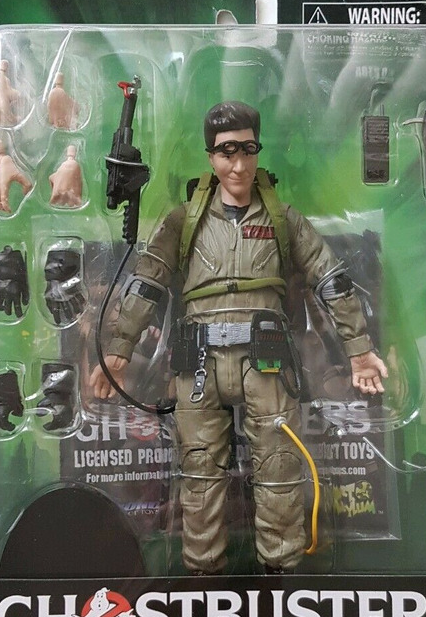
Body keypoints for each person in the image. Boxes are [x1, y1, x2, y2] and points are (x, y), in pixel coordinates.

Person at [91, 101, 387, 575]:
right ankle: (203, 582)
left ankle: (280, 577)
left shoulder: (282, 219)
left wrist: (360, 351)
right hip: (198, 362)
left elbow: (330, 278)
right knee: (198, 475)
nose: (239, 164)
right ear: (211, 156)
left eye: (248, 149)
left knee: (279, 471)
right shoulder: (182, 221)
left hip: (265, 359)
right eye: (227, 151)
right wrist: (118, 352)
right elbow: (147, 283)